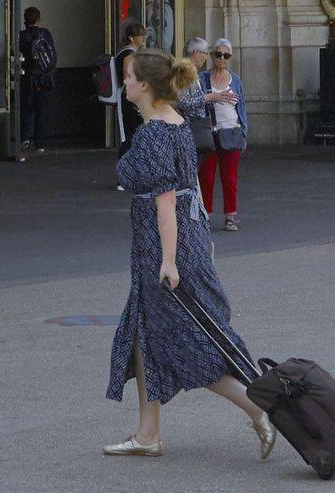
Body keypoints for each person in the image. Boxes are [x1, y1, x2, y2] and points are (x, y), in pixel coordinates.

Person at [103, 44, 270, 461]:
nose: (122, 82)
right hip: (175, 242)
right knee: (144, 336)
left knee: (189, 341)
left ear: (142, 85)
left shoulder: (157, 132)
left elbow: (165, 203)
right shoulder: (173, 121)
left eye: (126, 76)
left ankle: (258, 409)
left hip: (165, 247)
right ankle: (148, 433)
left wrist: (168, 261)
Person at [200, 42, 248, 225]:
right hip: (209, 133)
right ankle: (206, 215)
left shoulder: (234, 80)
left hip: (231, 131)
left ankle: (230, 216)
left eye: (226, 56)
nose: (221, 59)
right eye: (218, 54)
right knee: (206, 176)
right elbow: (196, 103)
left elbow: (241, 106)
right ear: (212, 55)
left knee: (229, 177)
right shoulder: (203, 79)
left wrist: (244, 132)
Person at [17, 6, 59, 158]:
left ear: (25, 20)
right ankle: (40, 143)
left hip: (26, 78)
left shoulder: (20, 36)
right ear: (38, 19)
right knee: (42, 110)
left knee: (26, 109)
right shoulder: (45, 34)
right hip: (44, 78)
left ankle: (24, 138)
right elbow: (52, 55)